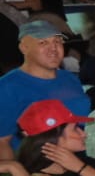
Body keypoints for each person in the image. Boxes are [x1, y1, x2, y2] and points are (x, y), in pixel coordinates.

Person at [0, 21, 88, 155]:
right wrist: (19, 174)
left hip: (80, 157)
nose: (53, 48)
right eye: (43, 43)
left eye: (57, 42)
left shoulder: (70, 78)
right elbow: (3, 142)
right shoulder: (7, 87)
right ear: (24, 48)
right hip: (39, 166)